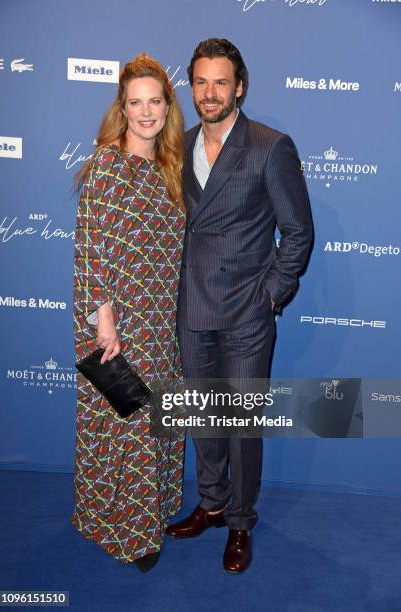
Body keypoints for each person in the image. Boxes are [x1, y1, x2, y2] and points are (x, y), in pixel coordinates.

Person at [167, 38, 313, 573]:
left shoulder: (270, 146)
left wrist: (271, 295)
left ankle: (240, 521)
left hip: (247, 313)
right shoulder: (177, 145)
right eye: (201, 82)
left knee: (241, 425)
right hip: (191, 309)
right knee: (201, 416)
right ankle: (210, 502)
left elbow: (297, 232)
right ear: (193, 88)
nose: (210, 92)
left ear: (239, 88)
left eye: (220, 82)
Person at [71, 54, 186, 572]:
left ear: (167, 106)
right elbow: (91, 248)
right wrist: (104, 320)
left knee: (158, 418)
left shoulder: (169, 169)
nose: (146, 112)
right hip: (116, 319)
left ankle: (155, 512)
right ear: (122, 108)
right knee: (128, 422)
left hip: (162, 318)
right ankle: (129, 534)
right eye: (135, 102)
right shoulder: (105, 165)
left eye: (154, 101)